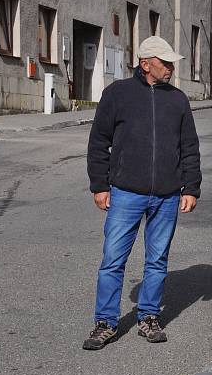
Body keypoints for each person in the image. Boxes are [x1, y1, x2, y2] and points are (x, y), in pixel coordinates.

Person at [84, 36, 201, 350]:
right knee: (112, 260)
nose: (170, 69)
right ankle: (106, 322)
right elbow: (98, 144)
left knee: (157, 259)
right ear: (146, 63)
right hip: (125, 193)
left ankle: (149, 316)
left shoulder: (178, 100)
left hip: (167, 195)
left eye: (171, 64)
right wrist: (100, 185)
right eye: (165, 63)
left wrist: (191, 187)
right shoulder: (117, 94)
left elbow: (189, 146)